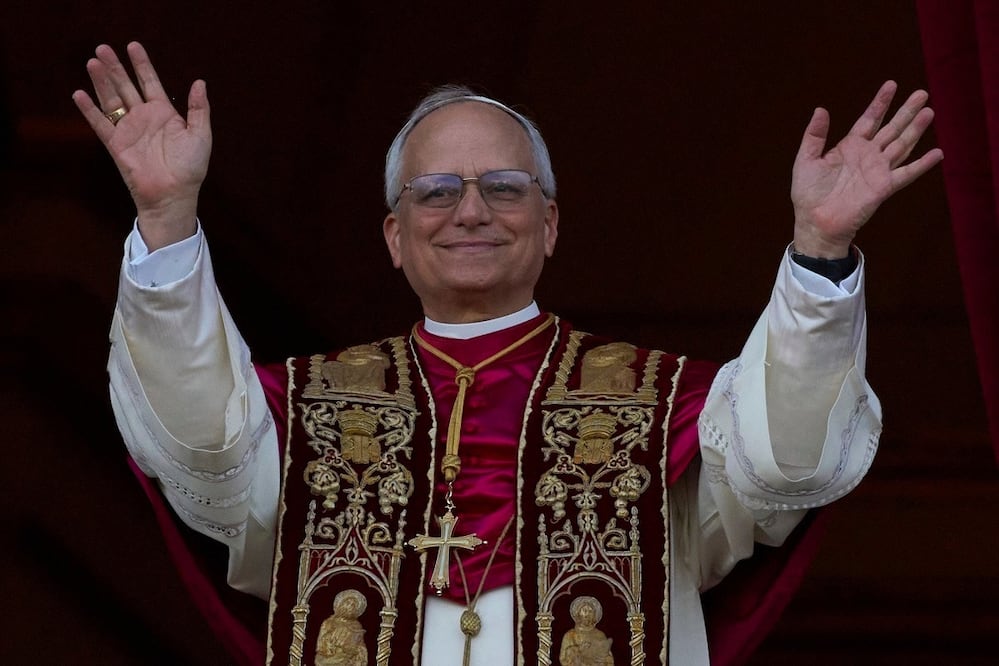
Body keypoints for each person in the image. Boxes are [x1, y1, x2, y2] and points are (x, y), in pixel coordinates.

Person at [73, 41, 942, 666]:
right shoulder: (302, 413)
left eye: (503, 187)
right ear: (393, 236)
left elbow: (786, 460)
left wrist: (818, 252)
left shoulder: (665, 407)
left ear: (550, 222)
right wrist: (166, 221)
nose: (470, 211)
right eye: (435, 191)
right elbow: (201, 447)